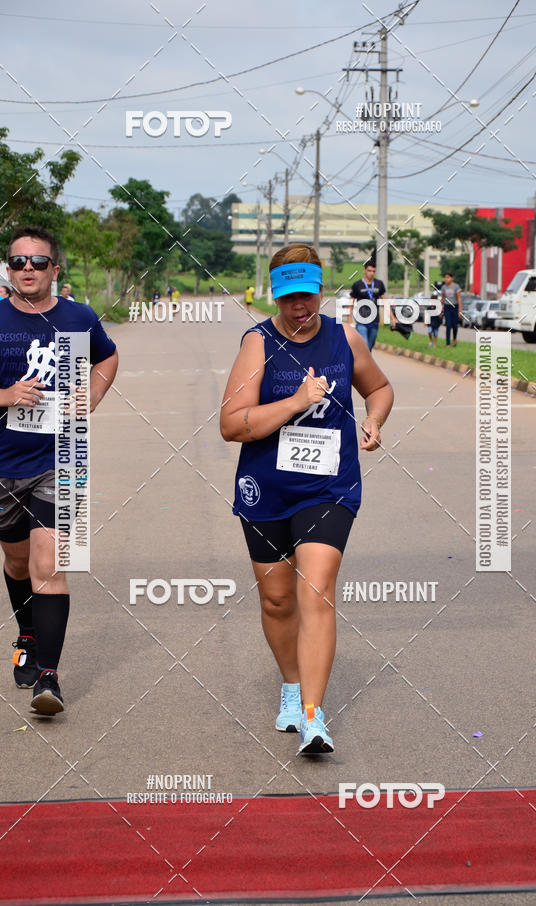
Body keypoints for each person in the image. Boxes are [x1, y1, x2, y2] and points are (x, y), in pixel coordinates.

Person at [220, 244, 394, 754]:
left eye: (308, 295)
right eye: (290, 297)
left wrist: (375, 419)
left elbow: (380, 388)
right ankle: (292, 688)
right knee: (276, 600)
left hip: (329, 485)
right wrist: (296, 402)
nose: (300, 306)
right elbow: (231, 425)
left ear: (321, 290)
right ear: (275, 295)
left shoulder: (345, 339)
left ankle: (315, 717)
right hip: (267, 487)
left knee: (316, 587)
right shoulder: (259, 343)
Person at [0, 226, 118, 715]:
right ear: (9, 268)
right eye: (18, 262)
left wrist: (94, 395)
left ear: (54, 269)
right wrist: (3, 396)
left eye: (37, 262)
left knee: (50, 565)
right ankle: (26, 634)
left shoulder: (79, 317)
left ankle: (48, 676)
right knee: (18, 563)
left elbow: (107, 356)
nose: (27, 270)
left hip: (63, 458)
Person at [349, 261, 385, 351]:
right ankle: (361, 363)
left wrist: (392, 318)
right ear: (364, 270)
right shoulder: (357, 285)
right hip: (361, 322)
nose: (371, 273)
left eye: (373, 271)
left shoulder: (379, 284)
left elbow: (385, 301)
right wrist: (349, 319)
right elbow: (351, 302)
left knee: (369, 347)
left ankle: (362, 363)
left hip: (374, 322)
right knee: (364, 345)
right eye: (369, 270)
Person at [441, 271, 462, 346]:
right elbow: (442, 299)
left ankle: (454, 339)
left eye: (448, 277)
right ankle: (447, 343)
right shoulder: (443, 287)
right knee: (448, 325)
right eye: (445, 277)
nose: (446, 279)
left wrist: (460, 310)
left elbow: (459, 298)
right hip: (447, 307)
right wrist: (439, 309)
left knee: (455, 326)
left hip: (455, 307)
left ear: (452, 278)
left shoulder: (456, 286)